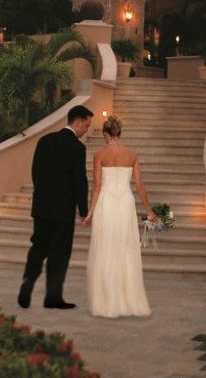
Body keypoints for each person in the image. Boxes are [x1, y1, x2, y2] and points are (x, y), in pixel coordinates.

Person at [18, 105, 93, 309]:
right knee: (59, 253)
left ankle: (27, 283)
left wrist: (42, 195)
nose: (86, 130)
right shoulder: (77, 148)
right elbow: (80, 181)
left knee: (38, 247)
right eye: (86, 125)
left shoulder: (44, 141)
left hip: (41, 207)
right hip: (63, 210)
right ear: (77, 122)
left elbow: (35, 172)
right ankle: (53, 297)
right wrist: (84, 211)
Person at [82, 115, 157, 318]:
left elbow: (97, 186)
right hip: (125, 203)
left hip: (106, 203)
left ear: (106, 134)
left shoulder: (99, 154)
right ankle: (128, 301)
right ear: (119, 133)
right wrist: (149, 210)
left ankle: (107, 302)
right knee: (125, 249)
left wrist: (89, 212)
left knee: (106, 248)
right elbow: (140, 186)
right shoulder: (131, 155)